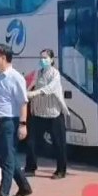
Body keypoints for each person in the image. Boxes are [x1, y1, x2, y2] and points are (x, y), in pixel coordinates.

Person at [0, 44, 33, 196]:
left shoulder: (15, 78)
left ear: (3, 58)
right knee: (9, 157)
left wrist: (23, 125)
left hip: (9, 123)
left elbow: (23, 103)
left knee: (6, 161)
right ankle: (24, 186)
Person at [24, 49, 69, 179]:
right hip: (39, 113)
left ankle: (61, 170)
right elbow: (35, 86)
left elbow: (49, 88)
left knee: (59, 144)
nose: (42, 60)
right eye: (41, 57)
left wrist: (35, 93)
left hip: (54, 114)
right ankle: (30, 168)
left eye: (45, 58)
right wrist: (29, 94)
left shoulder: (55, 74)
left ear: (51, 59)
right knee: (32, 142)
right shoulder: (39, 73)